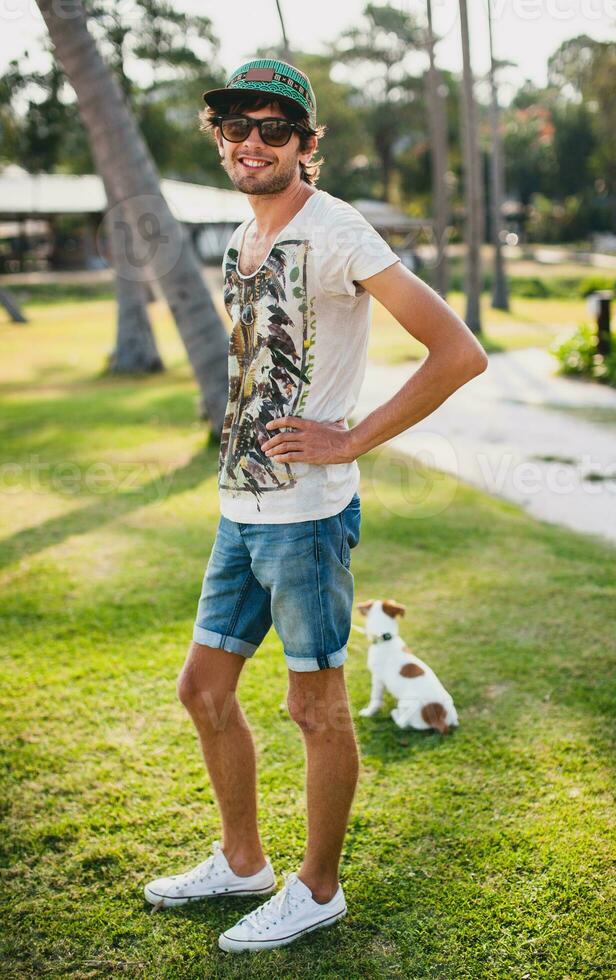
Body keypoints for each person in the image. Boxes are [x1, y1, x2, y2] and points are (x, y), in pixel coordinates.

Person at [144, 59, 487, 953]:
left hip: (307, 516)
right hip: (241, 510)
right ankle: (243, 861)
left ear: (306, 144)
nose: (251, 143)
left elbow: (458, 352)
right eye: (236, 128)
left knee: (315, 707)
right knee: (204, 689)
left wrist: (350, 437)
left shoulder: (342, 233)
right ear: (222, 139)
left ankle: (318, 888)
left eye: (273, 129)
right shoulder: (238, 236)